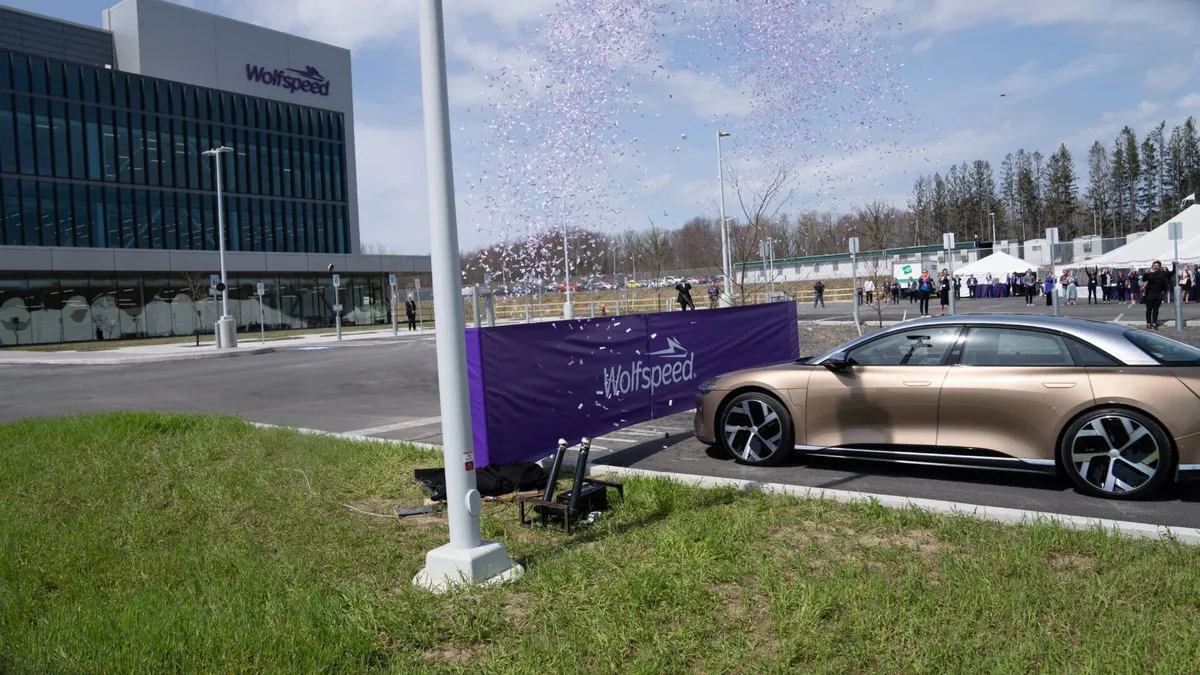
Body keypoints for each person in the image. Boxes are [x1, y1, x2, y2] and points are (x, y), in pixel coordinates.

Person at [1141, 260, 1176, 329]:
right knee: (1149, 309)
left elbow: (1172, 273)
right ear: (1152, 266)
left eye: (1157, 266)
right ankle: (1148, 322)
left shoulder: (1163, 273)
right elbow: (1143, 280)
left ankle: (1154, 322)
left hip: (1159, 294)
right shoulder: (1149, 273)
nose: (1156, 267)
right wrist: (1145, 273)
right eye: (1154, 266)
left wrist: (1174, 265)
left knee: (1156, 310)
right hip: (1150, 294)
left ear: (1159, 267)